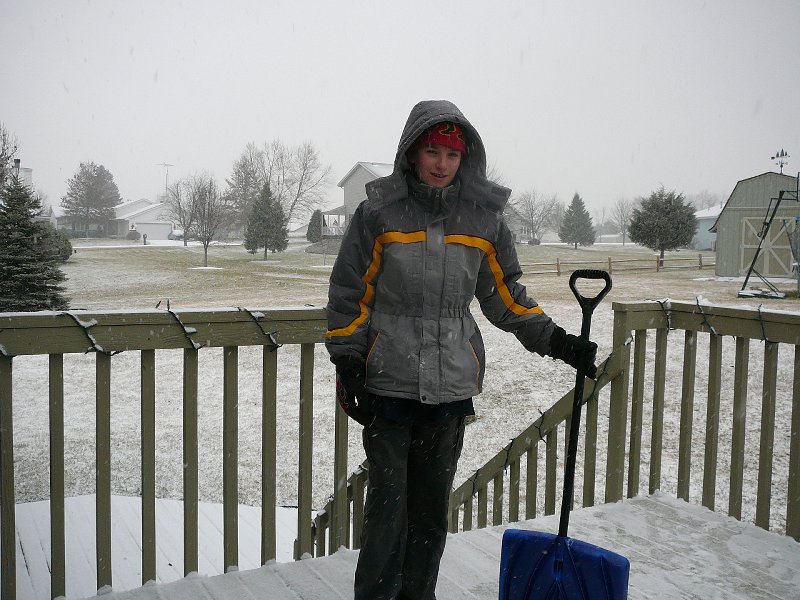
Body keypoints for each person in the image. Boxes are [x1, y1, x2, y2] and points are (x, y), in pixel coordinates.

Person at [325, 99, 597, 600]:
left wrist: (559, 342)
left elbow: (506, 298)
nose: (442, 163)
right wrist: (348, 360)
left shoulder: (483, 222)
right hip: (387, 385)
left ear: (465, 158)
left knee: (430, 514)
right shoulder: (377, 214)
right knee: (387, 512)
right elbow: (350, 294)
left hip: (449, 392)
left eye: (452, 154)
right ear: (412, 152)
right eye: (432, 150)